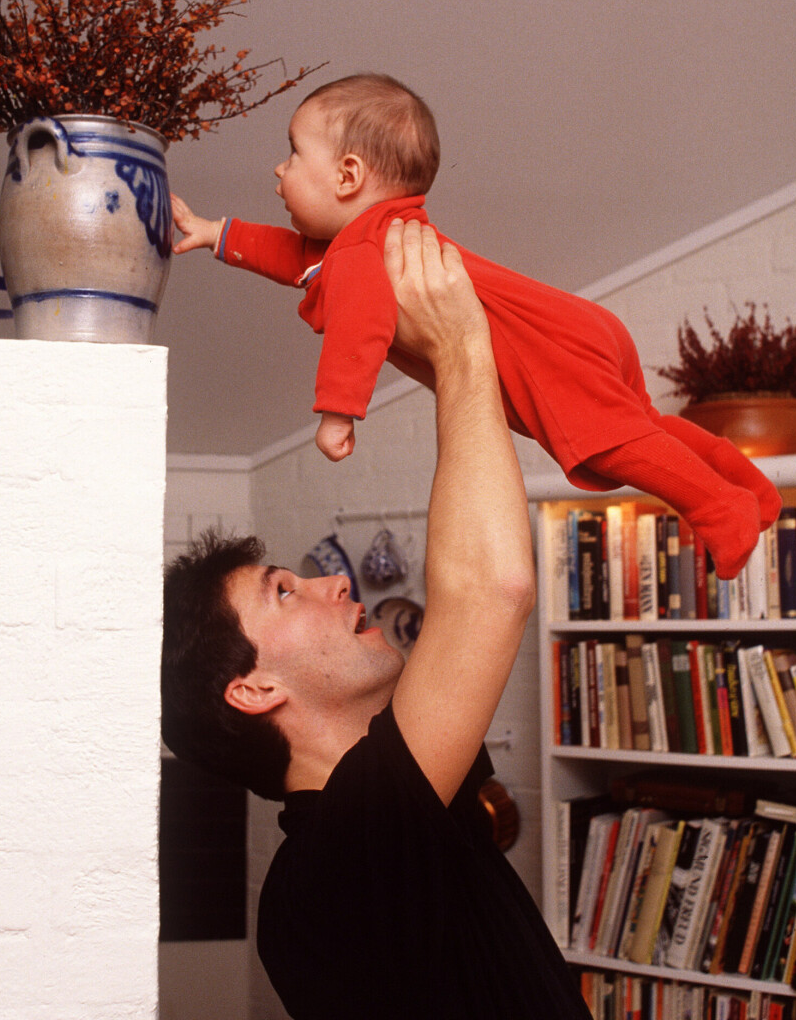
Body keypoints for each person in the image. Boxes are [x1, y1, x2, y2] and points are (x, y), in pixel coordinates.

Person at [161, 220, 594, 1020]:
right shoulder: (334, 863)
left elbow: (477, 591)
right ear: (251, 689)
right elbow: (492, 586)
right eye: (284, 591)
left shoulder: (402, 798)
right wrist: (462, 344)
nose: (330, 582)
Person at [170, 73, 779, 581]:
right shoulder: (372, 237)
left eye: (295, 152)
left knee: (616, 446)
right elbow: (296, 256)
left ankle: (721, 510)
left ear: (348, 176)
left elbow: (357, 329)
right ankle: (746, 484)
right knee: (645, 428)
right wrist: (215, 233)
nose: (280, 169)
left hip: (546, 348)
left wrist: (336, 414)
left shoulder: (363, 250)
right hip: (576, 326)